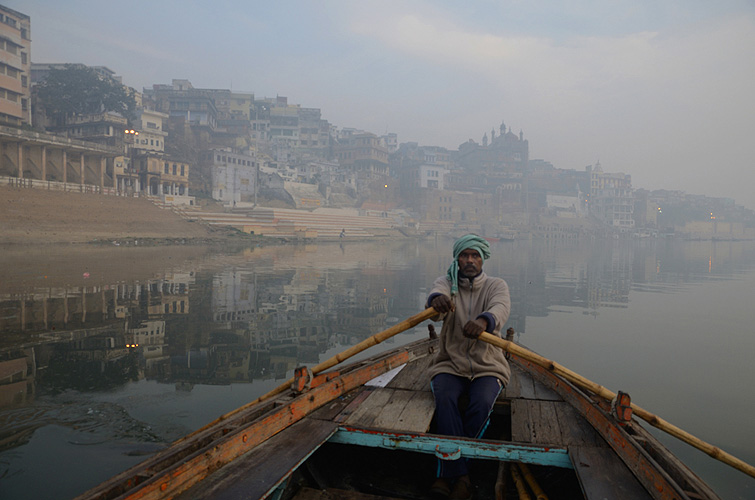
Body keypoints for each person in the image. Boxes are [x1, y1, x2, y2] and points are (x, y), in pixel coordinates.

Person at [426, 234, 511, 500]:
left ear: (483, 258)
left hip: (488, 365)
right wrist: (436, 302)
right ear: (457, 259)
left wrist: (485, 322)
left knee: (481, 403)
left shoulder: (496, 285)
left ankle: (446, 474)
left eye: (475, 256)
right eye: (465, 256)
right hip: (449, 363)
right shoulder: (447, 283)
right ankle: (461, 476)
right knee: (446, 398)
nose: (470, 261)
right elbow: (435, 302)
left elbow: (500, 308)